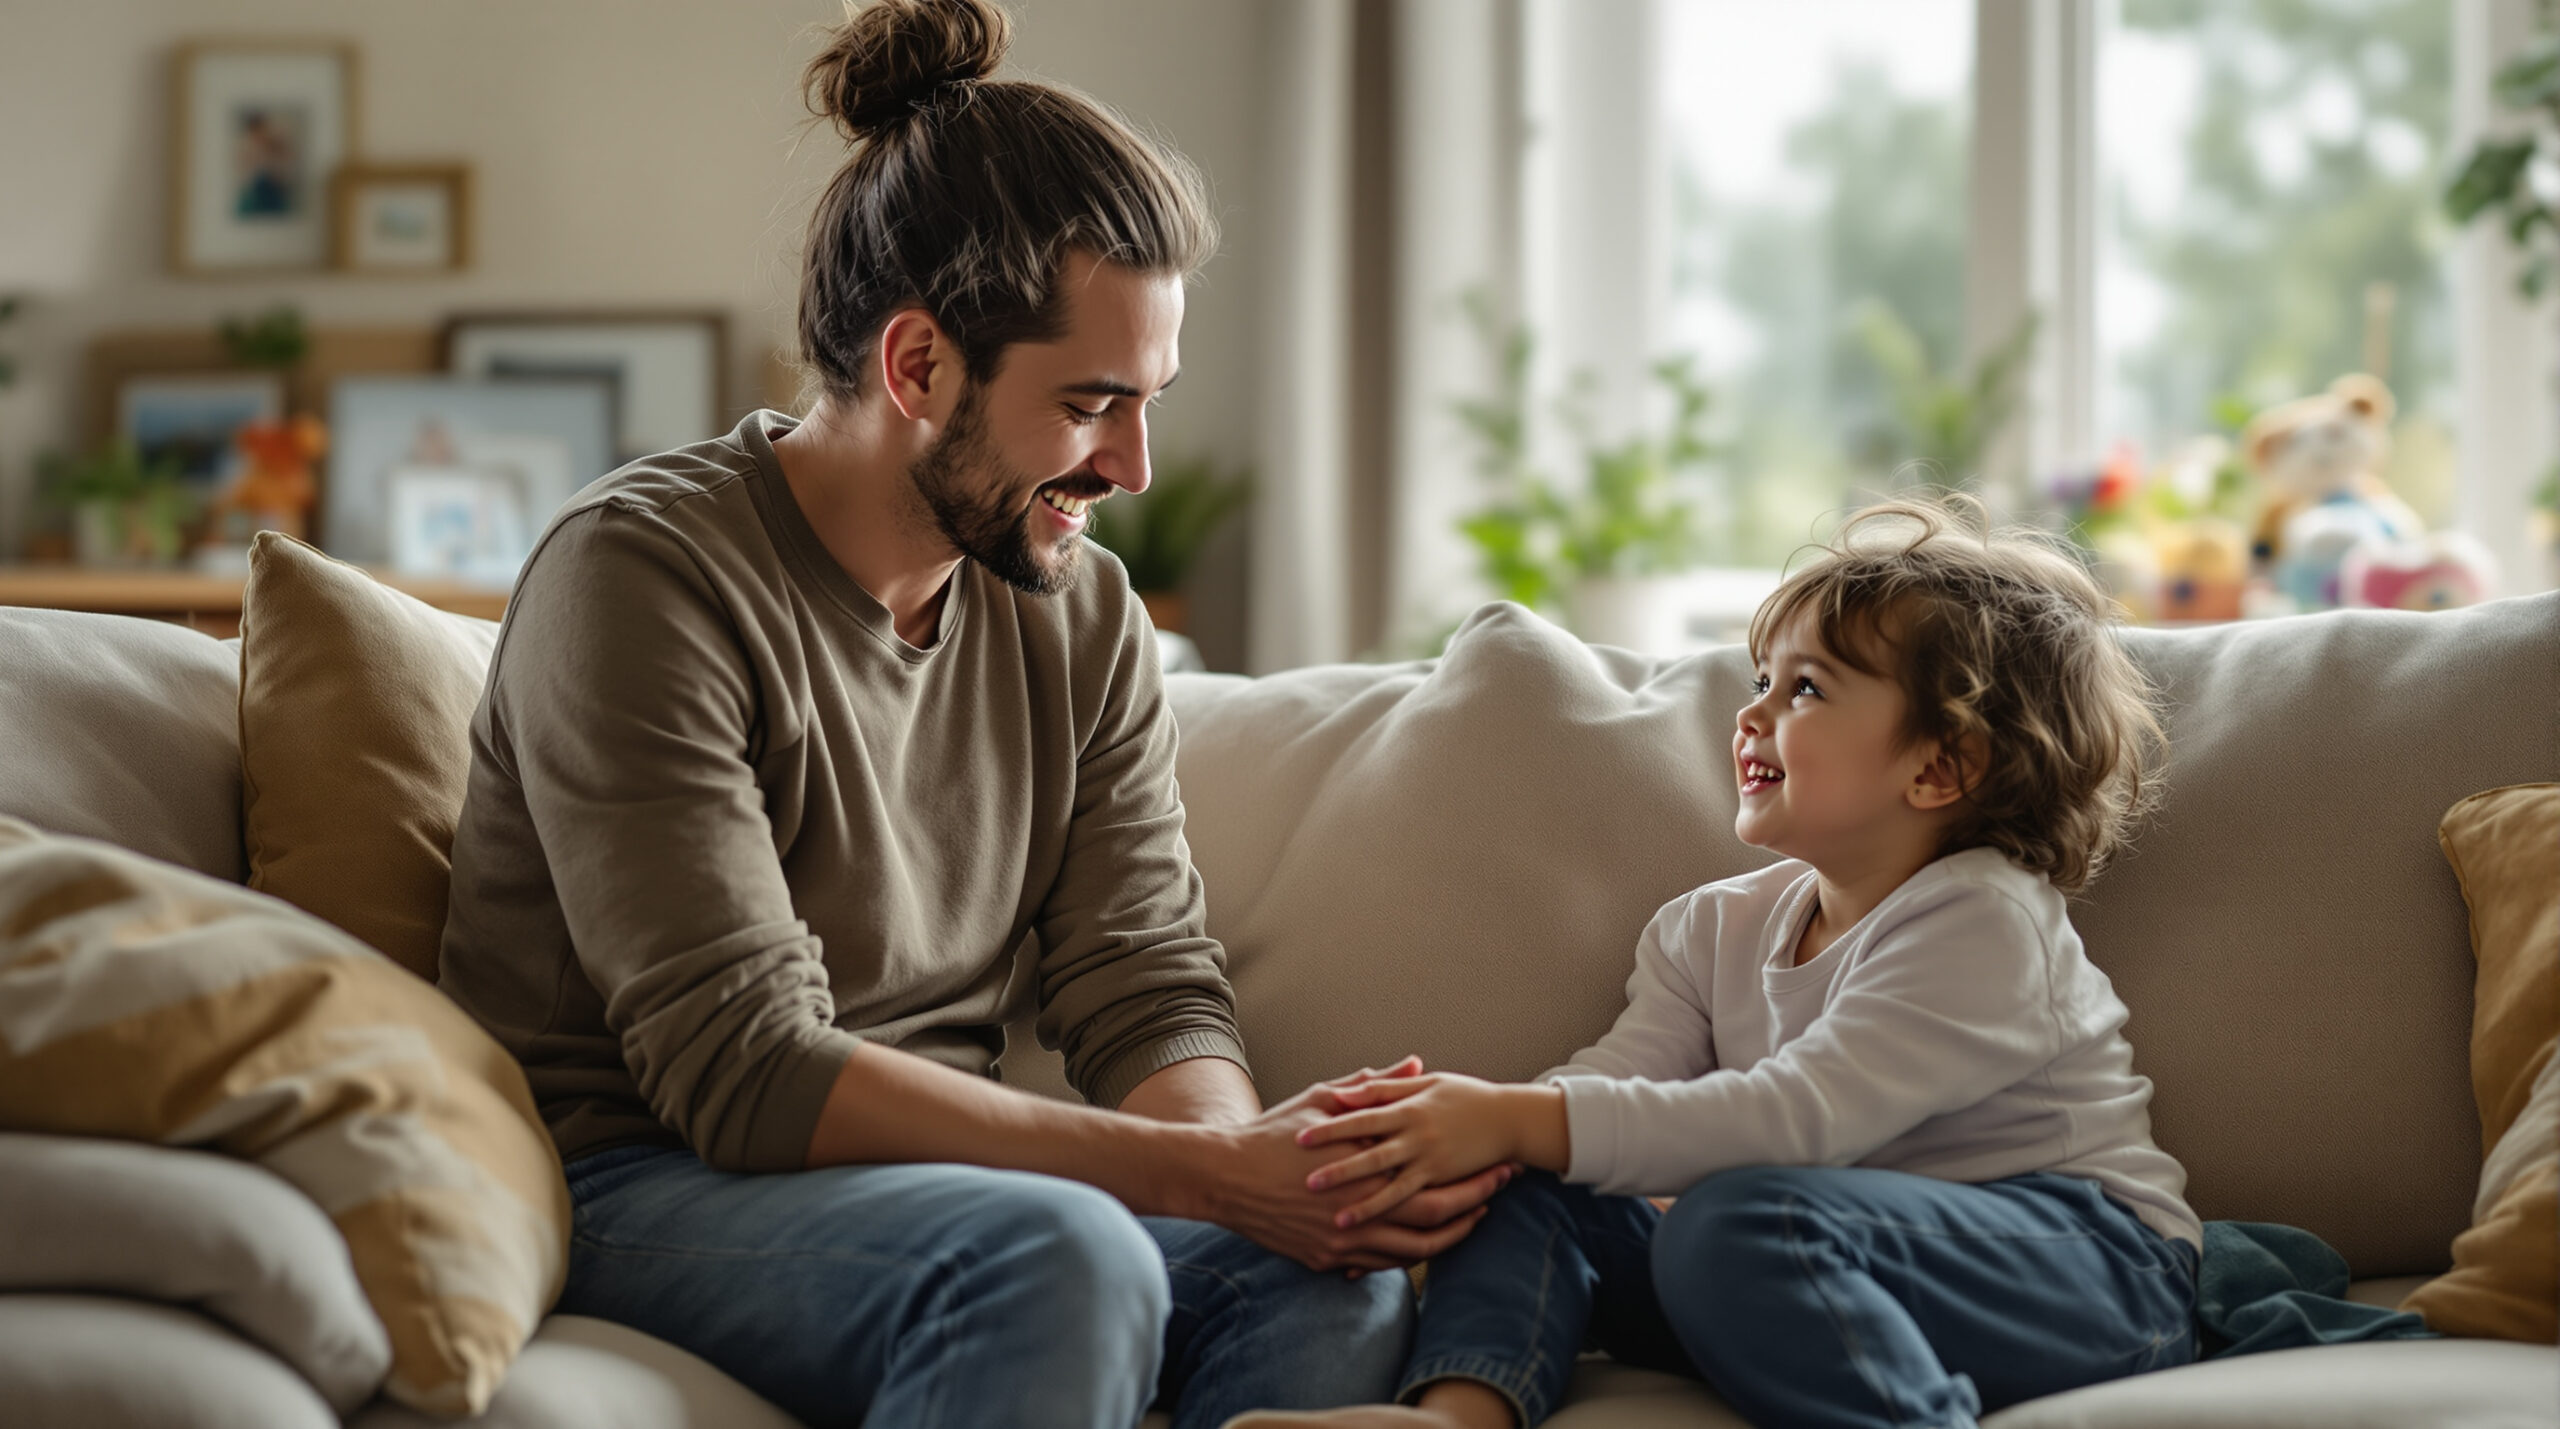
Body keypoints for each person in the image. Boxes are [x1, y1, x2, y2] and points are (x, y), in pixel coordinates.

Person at [434, 3, 1503, 1426]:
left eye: (1151, 401)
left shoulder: (1083, 610)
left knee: (1329, 1272)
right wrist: (1192, 1178)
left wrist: (1258, 1176)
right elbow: (741, 1072)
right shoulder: (642, 575)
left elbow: (1141, 974)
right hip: (648, 1173)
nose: (1131, 461)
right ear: (919, 365)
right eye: (1090, 404)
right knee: (1056, 1259)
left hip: (949, 1195)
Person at [1228, 497, 2202, 1429]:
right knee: (1534, 1175)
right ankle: (1459, 1413)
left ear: (1939, 766)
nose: (1753, 714)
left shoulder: (1982, 918)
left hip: (2087, 1270)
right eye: (1759, 681)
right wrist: (1478, 1131)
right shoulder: (1708, 927)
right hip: (1814, 1254)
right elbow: (1612, 1084)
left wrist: (1512, 1115)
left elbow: (1797, 1118)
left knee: (1735, 1216)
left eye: (1806, 688)